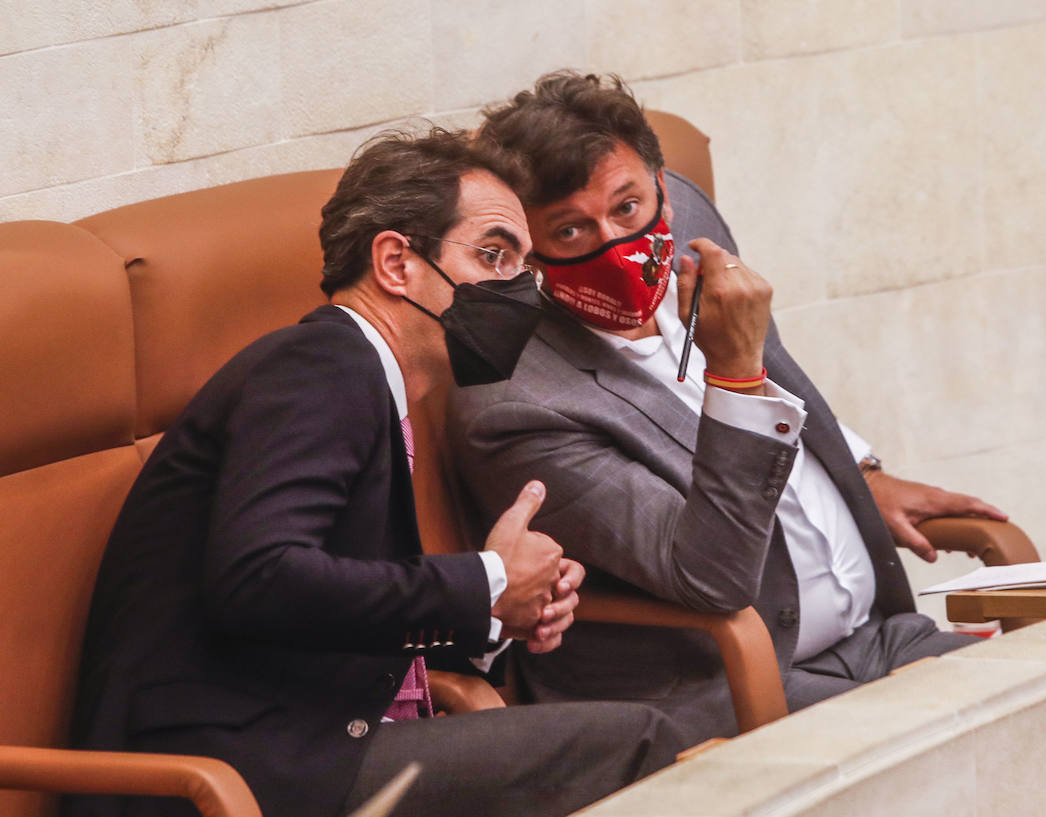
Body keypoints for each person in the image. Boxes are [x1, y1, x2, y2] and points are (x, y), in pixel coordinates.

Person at [65, 127, 683, 817]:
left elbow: (328, 606)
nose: (519, 289)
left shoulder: (371, 387)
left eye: (523, 266)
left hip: (309, 743)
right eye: (493, 255)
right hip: (228, 772)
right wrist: (483, 583)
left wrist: (498, 611)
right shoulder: (320, 366)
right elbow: (257, 578)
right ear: (395, 263)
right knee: (641, 744)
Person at [446, 72, 1008, 745]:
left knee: (1041, 705)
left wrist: (861, 470)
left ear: (662, 187)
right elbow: (708, 577)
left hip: (880, 635)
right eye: (570, 230)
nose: (615, 245)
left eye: (627, 207)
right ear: (527, 248)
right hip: (728, 687)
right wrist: (735, 376)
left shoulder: (688, 230)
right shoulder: (518, 404)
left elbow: (779, 371)